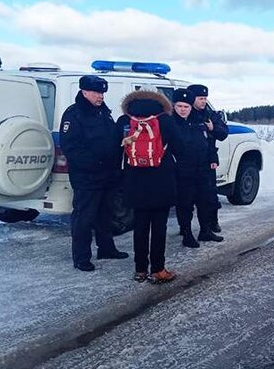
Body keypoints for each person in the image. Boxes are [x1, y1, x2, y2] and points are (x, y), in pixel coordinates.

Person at [60, 75, 128, 272]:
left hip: (107, 175)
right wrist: (96, 164)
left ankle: (106, 248)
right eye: (97, 92)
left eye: (102, 93)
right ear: (84, 92)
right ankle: (81, 257)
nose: (101, 96)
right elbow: (71, 147)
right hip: (87, 177)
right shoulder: (74, 114)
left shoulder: (103, 113)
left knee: (105, 215)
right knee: (84, 217)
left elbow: (112, 139)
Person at [117, 88, 183, 283]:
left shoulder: (125, 122)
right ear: (160, 103)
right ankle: (158, 269)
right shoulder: (165, 120)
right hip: (161, 181)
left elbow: (116, 148)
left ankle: (140, 270)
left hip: (135, 181)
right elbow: (181, 148)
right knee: (159, 227)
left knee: (140, 226)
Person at [187, 84, 228, 242]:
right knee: (188, 198)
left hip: (208, 160)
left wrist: (213, 128)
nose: (203, 101)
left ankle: (212, 223)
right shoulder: (186, 114)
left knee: (210, 193)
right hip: (190, 162)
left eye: (205, 98)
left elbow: (223, 133)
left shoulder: (210, 115)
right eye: (200, 98)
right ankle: (186, 230)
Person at [171, 88, 208, 248]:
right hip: (182, 172)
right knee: (185, 205)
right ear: (174, 106)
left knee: (204, 202)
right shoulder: (170, 123)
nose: (183, 110)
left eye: (186, 107)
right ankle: (186, 233)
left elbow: (206, 142)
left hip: (200, 169)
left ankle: (205, 230)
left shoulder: (197, 120)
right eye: (179, 106)